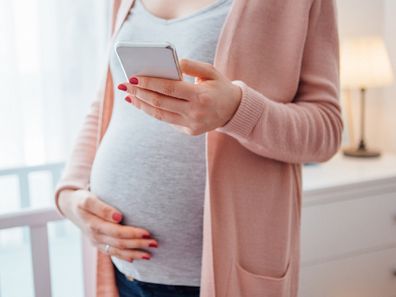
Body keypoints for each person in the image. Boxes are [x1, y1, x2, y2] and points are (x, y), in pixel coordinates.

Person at [54, 0, 343, 296]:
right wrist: (70, 194)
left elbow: (327, 129)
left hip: (222, 277)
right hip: (122, 269)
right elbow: (106, 103)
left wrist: (236, 110)